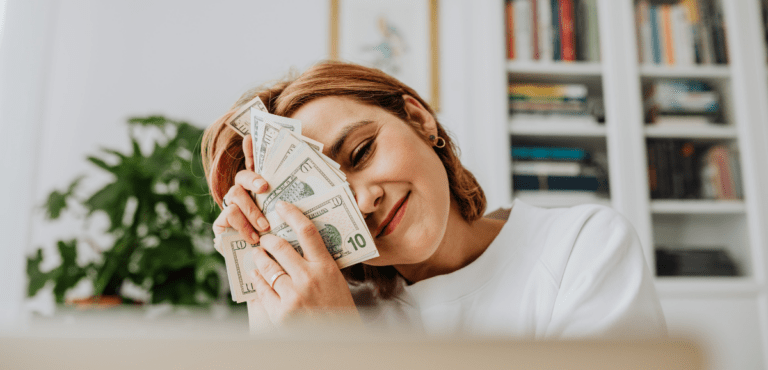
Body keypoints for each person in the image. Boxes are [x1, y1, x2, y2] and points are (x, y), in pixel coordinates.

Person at [201, 61, 667, 338]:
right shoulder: (329, 311)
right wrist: (269, 314)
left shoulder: (579, 246)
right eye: (324, 193)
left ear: (420, 119)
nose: (363, 201)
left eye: (362, 151)